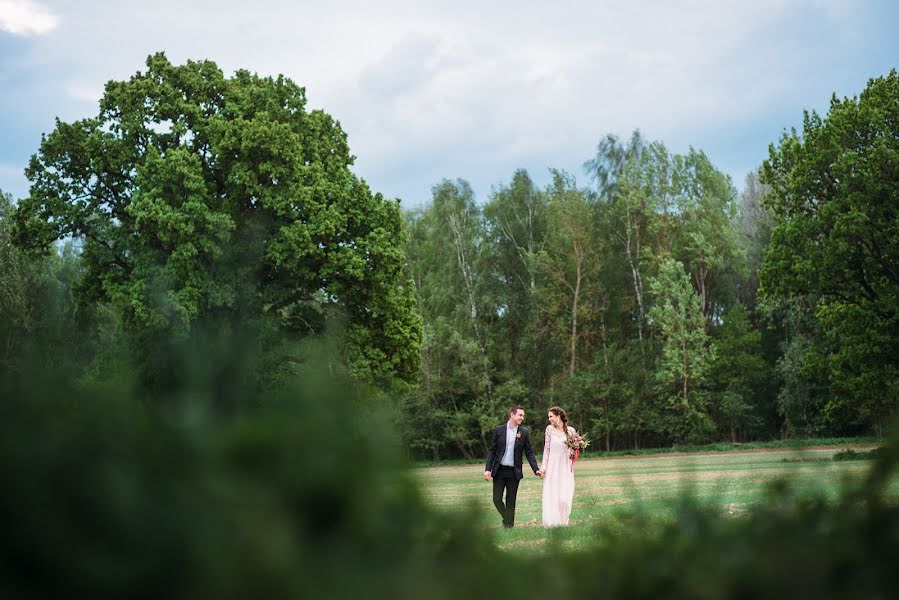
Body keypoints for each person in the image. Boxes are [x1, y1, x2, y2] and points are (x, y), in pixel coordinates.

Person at [484, 406, 542, 528]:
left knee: (511, 501)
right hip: (499, 471)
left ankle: (509, 526)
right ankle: (508, 519)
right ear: (512, 414)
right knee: (496, 499)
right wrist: (487, 469)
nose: (522, 418)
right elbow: (492, 451)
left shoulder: (524, 432)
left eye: (523, 415)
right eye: (520, 415)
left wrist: (536, 469)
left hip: (514, 472)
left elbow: (529, 453)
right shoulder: (499, 430)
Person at [540, 406, 576, 527]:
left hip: (566, 467)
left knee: (564, 497)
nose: (549, 419)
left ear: (558, 416)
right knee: (553, 495)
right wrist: (543, 467)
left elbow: (573, 452)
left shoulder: (571, 431)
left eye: (551, 416)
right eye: (548, 417)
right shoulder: (549, 429)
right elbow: (546, 450)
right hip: (552, 466)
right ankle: (552, 523)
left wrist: (576, 449)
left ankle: (563, 522)